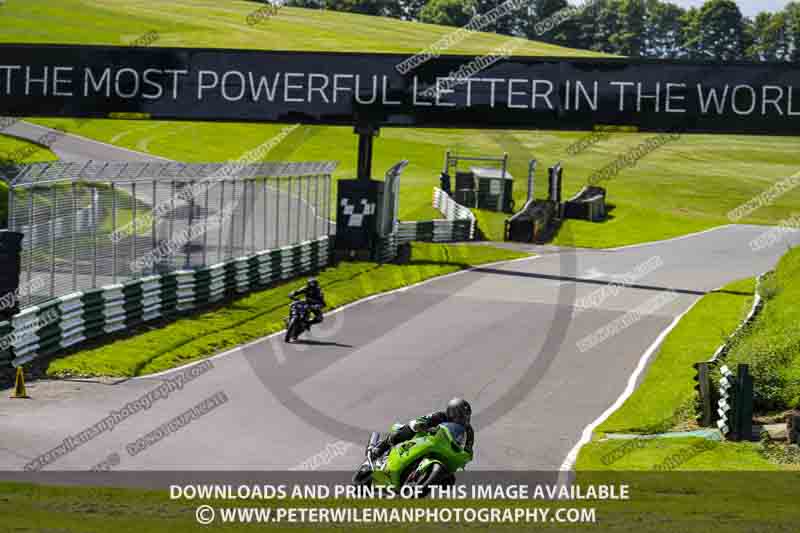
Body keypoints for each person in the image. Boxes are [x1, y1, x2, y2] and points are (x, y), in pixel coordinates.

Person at [371, 398, 474, 459]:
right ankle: (381, 447)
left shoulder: (468, 431)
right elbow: (423, 420)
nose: (463, 420)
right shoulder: (440, 416)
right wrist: (421, 425)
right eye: (460, 416)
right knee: (411, 427)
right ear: (451, 413)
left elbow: (468, 450)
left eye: (466, 417)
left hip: (445, 450)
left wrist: (467, 454)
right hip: (425, 438)